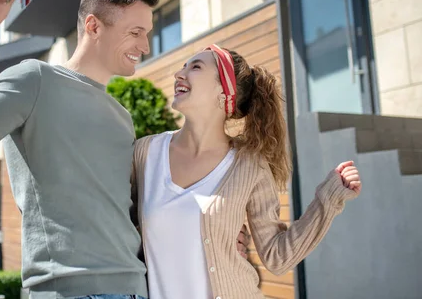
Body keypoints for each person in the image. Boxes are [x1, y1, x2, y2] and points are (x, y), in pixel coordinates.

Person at [0, 0, 250, 299]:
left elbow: (136, 218)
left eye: (147, 33)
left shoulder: (122, 117)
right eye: (135, 32)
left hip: (138, 289)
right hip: (70, 290)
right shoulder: (35, 80)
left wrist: (214, 229)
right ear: (93, 26)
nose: (146, 46)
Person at [132, 45, 362, 299]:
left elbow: (277, 256)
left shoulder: (250, 166)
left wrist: (327, 200)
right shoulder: (145, 153)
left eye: (195, 67)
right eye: (183, 66)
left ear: (224, 91)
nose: (179, 74)